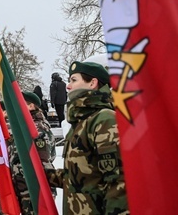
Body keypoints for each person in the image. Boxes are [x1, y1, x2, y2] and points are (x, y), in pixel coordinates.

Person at [46, 61, 129, 214]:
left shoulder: (104, 119)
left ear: (92, 83)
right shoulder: (80, 122)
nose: (68, 86)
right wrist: (43, 172)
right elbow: (77, 176)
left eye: (74, 80)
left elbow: (119, 183)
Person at [9, 91, 56, 214]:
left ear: (31, 106)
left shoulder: (37, 129)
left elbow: (43, 163)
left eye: (20, 103)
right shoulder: (24, 126)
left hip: (34, 191)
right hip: (24, 188)